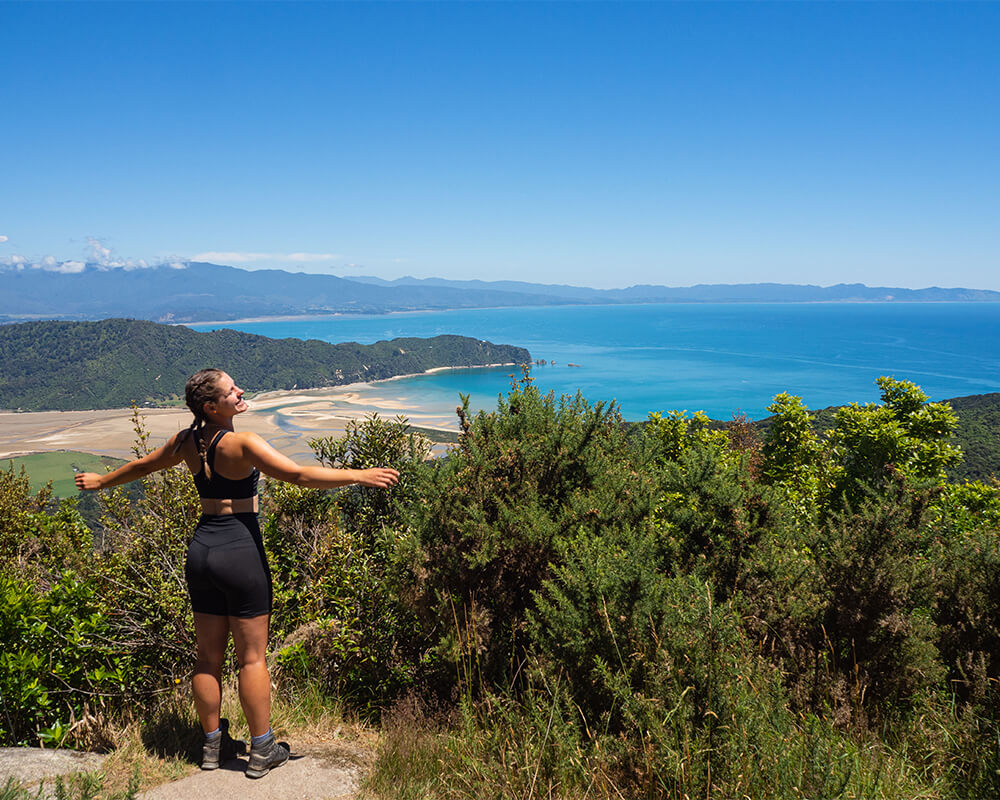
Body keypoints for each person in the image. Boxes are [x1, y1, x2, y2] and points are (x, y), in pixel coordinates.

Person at [75, 369, 400, 777]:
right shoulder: (243, 443)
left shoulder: (185, 441)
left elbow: (143, 467)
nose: (241, 391)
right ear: (212, 406)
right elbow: (298, 476)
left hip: (202, 550)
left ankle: (212, 747)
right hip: (240, 551)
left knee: (208, 658)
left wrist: (101, 480)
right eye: (232, 391)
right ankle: (262, 748)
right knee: (251, 659)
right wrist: (358, 475)